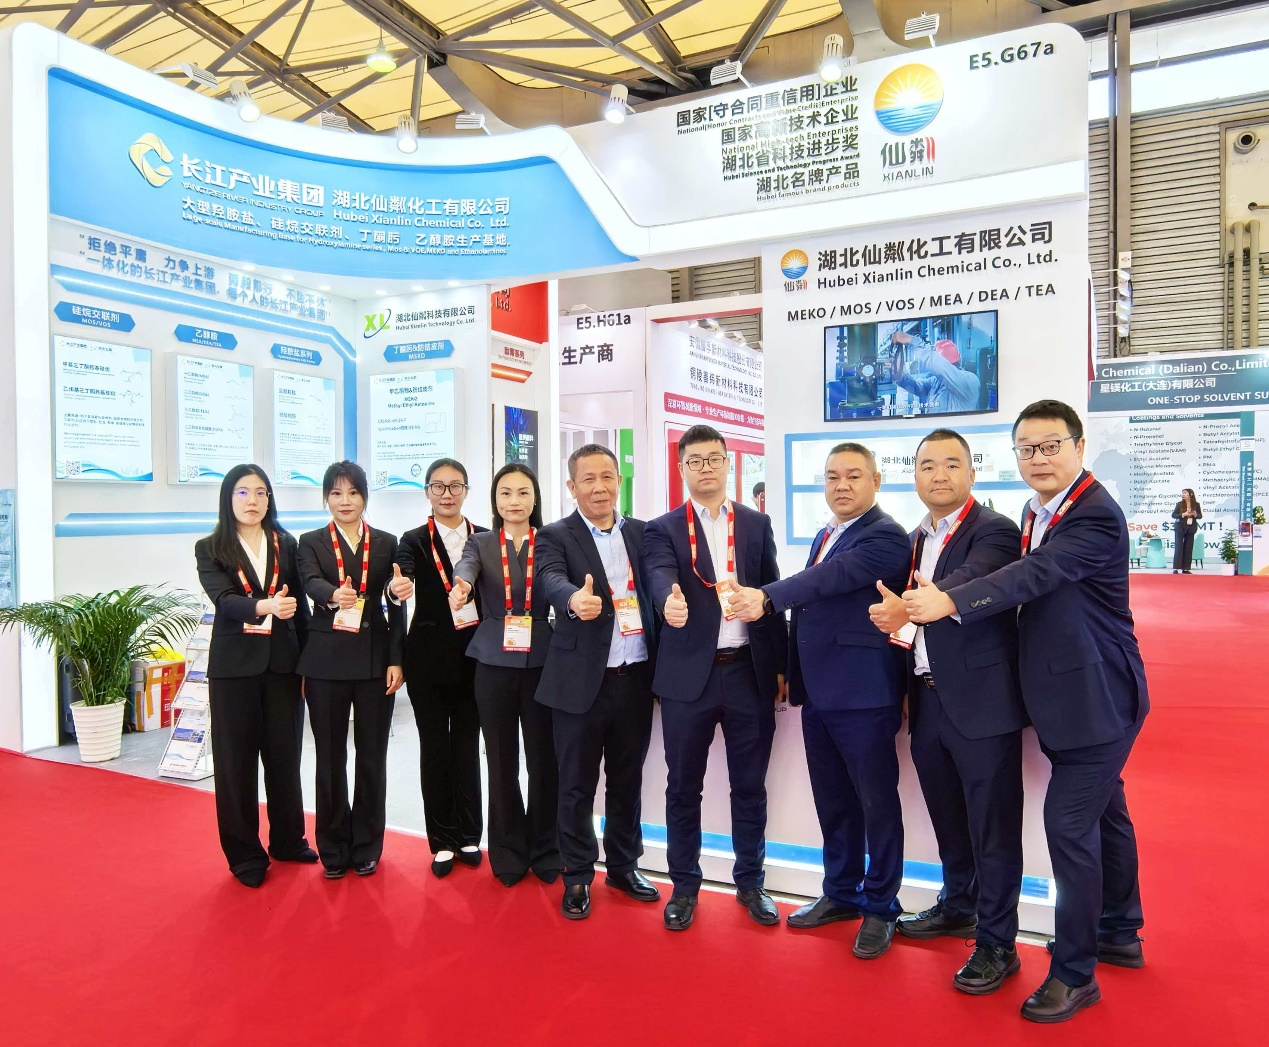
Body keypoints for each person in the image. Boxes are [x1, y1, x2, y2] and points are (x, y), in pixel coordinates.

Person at [903, 400, 1149, 1024]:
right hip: (1061, 694)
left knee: (1068, 827)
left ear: (1079, 447)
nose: (1039, 458)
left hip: (1099, 696)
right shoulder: (1036, 511)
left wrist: (949, 601)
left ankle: (1075, 974)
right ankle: (1120, 930)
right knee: (1107, 814)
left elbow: (1037, 573)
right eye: (1027, 449)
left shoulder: (1094, 514)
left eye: (1051, 446)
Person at [729, 443, 910, 960]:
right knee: (834, 801)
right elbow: (812, 610)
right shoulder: (827, 532)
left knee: (876, 804)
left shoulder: (885, 535)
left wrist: (767, 596)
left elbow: (829, 580)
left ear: (876, 480)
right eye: (832, 477)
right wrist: (790, 670)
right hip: (820, 693)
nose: (841, 485)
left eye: (853, 475)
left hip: (864, 693)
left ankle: (881, 907)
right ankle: (841, 893)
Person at [866, 429, 1027, 994]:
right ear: (914, 475)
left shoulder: (996, 530)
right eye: (928, 465)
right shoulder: (915, 538)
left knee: (994, 827)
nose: (939, 475)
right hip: (928, 698)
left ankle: (998, 943)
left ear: (971, 473)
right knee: (948, 816)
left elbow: (971, 579)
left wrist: (913, 606)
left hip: (983, 703)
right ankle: (959, 904)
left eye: (952, 464)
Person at [643, 425, 788, 931]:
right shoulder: (663, 528)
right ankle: (684, 886)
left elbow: (772, 591)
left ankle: (751, 881)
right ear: (681, 468)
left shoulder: (755, 523)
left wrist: (780, 665)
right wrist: (667, 601)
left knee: (750, 786)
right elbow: (658, 574)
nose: (705, 468)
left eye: (713, 459)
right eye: (695, 461)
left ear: (728, 463)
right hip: (689, 679)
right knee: (683, 787)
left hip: (748, 672)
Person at [534, 444, 660, 920]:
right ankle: (577, 874)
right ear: (572, 487)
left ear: (619, 482)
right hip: (579, 682)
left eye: (607, 477)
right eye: (588, 479)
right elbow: (548, 578)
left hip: (635, 676)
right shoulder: (555, 535)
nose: (599, 487)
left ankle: (624, 866)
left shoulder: (643, 533)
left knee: (627, 779)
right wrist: (573, 599)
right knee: (576, 784)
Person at [194, 464, 314, 888]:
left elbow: (301, 609)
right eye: (243, 492)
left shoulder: (286, 543)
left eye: (261, 492)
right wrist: (264, 607)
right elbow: (225, 600)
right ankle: (244, 855)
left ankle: (288, 840)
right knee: (236, 764)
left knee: (284, 757)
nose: (253, 501)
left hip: (283, 666)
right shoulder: (211, 548)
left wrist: (306, 664)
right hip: (234, 670)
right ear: (228, 498)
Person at [297, 461, 411, 880]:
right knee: (329, 758)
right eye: (336, 493)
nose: (345, 501)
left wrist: (397, 658)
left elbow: (395, 602)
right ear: (326, 498)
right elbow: (309, 582)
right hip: (325, 663)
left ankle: (366, 846)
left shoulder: (386, 542)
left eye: (353, 493)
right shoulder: (310, 542)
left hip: (375, 662)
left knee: (372, 757)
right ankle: (332, 846)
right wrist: (334, 594)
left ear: (364, 496)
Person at [449, 464, 560, 887]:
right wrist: (461, 586)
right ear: (495, 500)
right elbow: (466, 568)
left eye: (523, 492)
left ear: (535, 498)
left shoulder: (550, 541)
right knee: (500, 760)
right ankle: (509, 851)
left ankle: (546, 849)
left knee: (544, 760)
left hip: (543, 663)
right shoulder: (480, 542)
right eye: (505, 493)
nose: (514, 501)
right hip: (493, 664)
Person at [395, 458, 487, 879]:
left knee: (467, 746)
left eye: (455, 486)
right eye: (438, 486)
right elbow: (401, 576)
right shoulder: (413, 539)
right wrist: (397, 588)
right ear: (427, 492)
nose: (447, 494)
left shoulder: (483, 537)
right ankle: (442, 840)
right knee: (434, 749)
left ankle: (470, 835)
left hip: (475, 659)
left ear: (466, 491)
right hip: (428, 662)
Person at [891, 330, 981, 415]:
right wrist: (900, 373)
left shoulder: (970, 381)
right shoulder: (937, 381)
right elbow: (916, 387)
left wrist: (911, 341)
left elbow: (939, 367)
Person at [1172, 488, 1202, 573]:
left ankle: (1186, 568)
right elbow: (1173, 515)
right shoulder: (1179, 504)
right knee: (1179, 547)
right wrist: (1182, 515)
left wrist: (1195, 515)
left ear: (1190, 494)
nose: (1183, 494)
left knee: (1188, 547)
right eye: (1182, 493)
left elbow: (1200, 516)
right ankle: (1176, 568)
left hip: (1191, 527)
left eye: (1185, 493)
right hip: (1180, 526)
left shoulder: (1196, 505)